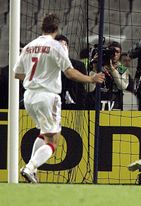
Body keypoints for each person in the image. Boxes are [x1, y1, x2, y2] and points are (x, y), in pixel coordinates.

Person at [13, 13, 105, 183]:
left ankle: (32, 168)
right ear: (57, 28)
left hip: (29, 97)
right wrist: (91, 79)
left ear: (42, 27)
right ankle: (30, 167)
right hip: (47, 96)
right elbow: (70, 73)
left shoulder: (29, 46)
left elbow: (17, 73)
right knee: (53, 140)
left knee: (44, 133)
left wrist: (37, 76)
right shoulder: (55, 46)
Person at [88, 41, 129, 110]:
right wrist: (94, 68)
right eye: (112, 52)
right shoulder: (96, 66)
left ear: (120, 54)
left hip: (114, 106)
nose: (115, 54)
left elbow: (122, 86)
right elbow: (89, 89)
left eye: (117, 52)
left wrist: (112, 70)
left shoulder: (121, 68)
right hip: (95, 104)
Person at [55, 34, 87, 109]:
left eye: (64, 45)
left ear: (68, 47)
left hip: (75, 107)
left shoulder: (79, 65)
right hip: (56, 106)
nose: (62, 48)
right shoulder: (50, 66)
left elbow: (82, 89)